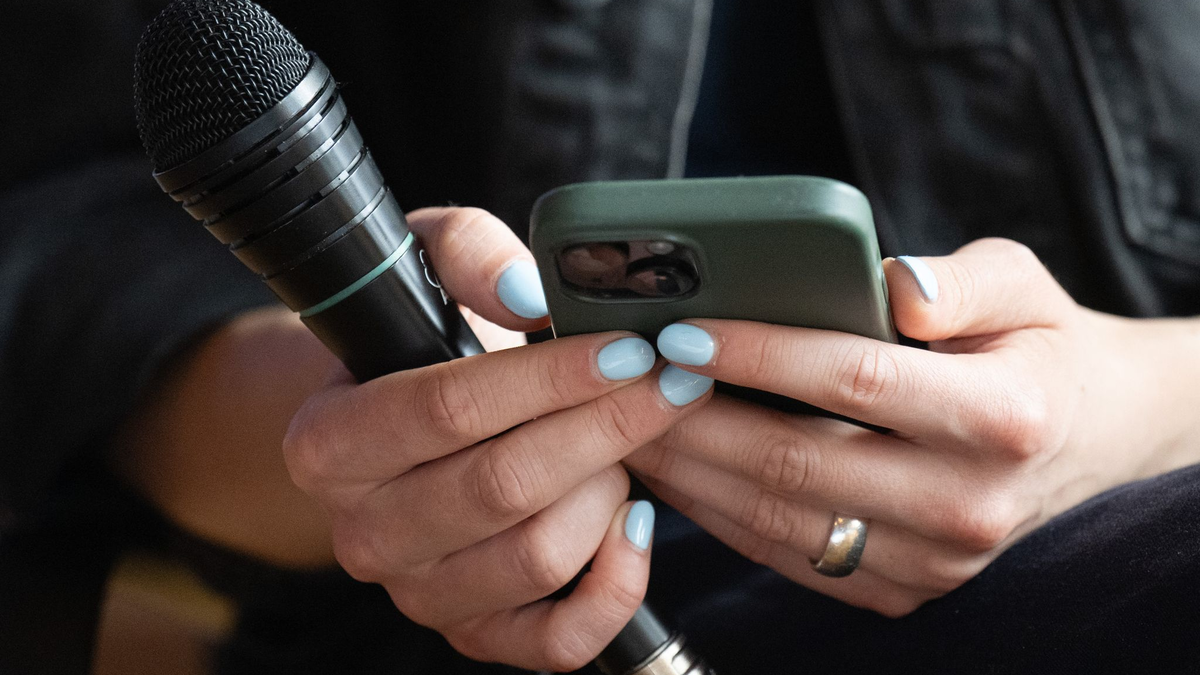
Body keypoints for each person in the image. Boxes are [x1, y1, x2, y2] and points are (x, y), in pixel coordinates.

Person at [2, 0, 1199, 673]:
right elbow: (56, 251)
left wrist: (1137, 403)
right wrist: (386, 413)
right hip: (472, 619)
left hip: (1122, 513)